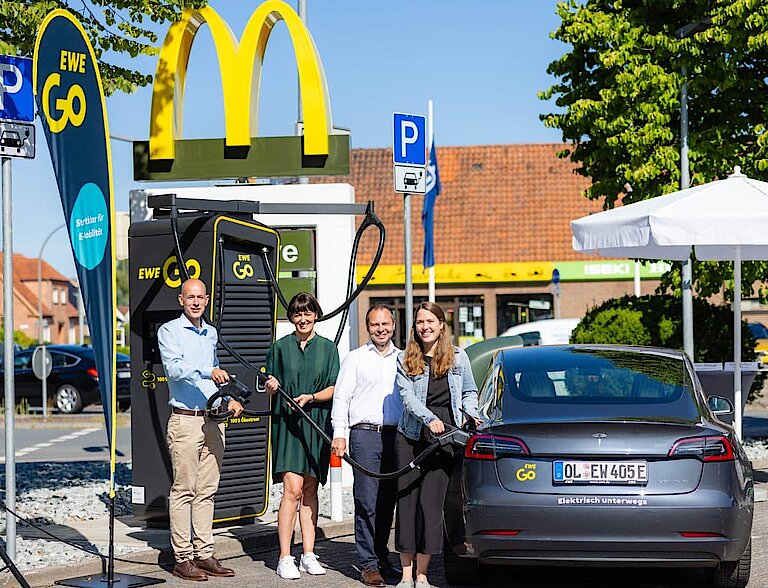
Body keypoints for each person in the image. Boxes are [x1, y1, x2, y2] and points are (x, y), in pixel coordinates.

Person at [158, 278, 244, 581]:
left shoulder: (211, 333)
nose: (195, 302)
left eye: (200, 298)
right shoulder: (169, 331)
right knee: (184, 490)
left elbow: (215, 371)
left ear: (206, 300)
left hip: (213, 419)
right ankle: (182, 557)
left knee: (207, 490)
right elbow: (176, 368)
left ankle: (203, 553)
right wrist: (209, 370)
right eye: (190, 297)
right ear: (181, 300)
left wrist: (231, 398)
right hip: (185, 419)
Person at [394, 302, 482, 588]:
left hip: (447, 436)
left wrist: (471, 413)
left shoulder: (459, 356)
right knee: (407, 504)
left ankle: (422, 575)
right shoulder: (406, 357)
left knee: (431, 506)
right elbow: (408, 399)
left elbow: (469, 390)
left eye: (430, 321)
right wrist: (429, 418)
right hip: (412, 434)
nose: (425, 326)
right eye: (420, 322)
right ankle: (406, 575)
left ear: (441, 324)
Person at [264, 292, 340, 580]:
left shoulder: (328, 348)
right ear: (291, 318)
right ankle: (285, 556)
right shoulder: (280, 348)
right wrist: (272, 387)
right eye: (298, 314)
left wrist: (311, 396)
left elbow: (335, 387)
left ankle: (309, 553)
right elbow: (270, 382)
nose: (303, 318)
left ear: (316, 315)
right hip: (289, 424)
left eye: (308, 313)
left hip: (317, 421)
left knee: (310, 489)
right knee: (292, 490)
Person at [331, 304, 403, 587]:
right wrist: (340, 433)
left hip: (396, 437)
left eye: (385, 324)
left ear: (394, 325)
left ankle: (383, 558)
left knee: (388, 503)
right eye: (375, 324)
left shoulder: (404, 359)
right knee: (366, 500)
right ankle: (368, 563)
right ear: (368, 327)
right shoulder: (355, 359)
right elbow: (342, 398)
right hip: (365, 435)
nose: (381, 329)